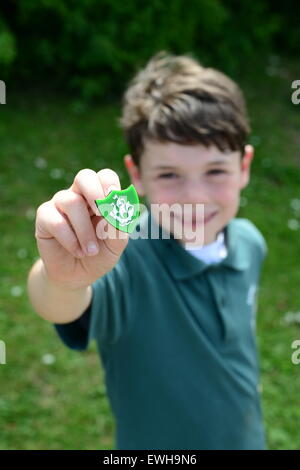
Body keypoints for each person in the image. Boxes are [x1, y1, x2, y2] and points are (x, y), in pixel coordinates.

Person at [27, 51, 268, 450]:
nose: (195, 197)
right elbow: (59, 302)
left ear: (244, 167)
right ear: (136, 175)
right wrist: (62, 277)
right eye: (169, 174)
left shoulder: (250, 243)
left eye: (215, 171)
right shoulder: (127, 252)